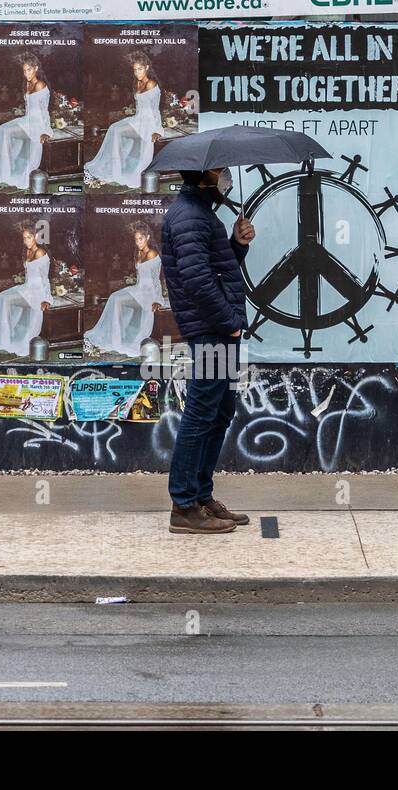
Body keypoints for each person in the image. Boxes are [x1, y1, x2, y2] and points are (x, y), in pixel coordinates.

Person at [161, 168, 254, 534]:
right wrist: (228, 321)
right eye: (221, 172)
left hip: (219, 329)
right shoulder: (188, 216)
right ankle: (183, 505)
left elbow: (214, 270)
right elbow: (197, 282)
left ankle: (200, 496)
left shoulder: (201, 215)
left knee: (219, 411)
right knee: (202, 413)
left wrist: (237, 245)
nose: (227, 177)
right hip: (212, 330)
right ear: (204, 176)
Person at [84, 221, 165, 357]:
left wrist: (157, 299)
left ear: (148, 238)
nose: (138, 242)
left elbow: (156, 279)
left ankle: (118, 339)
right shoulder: (139, 253)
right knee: (114, 297)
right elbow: (140, 276)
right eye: (136, 239)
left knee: (118, 301)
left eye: (141, 239)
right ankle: (116, 337)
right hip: (138, 289)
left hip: (148, 293)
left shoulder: (152, 254)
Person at [83, 51, 163, 189]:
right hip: (138, 119)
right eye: (135, 70)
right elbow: (140, 105)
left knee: (118, 132)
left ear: (147, 68)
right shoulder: (138, 83)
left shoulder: (151, 84)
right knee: (114, 128)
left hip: (147, 123)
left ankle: (118, 170)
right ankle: (116, 168)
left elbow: (155, 110)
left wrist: (157, 129)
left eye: (140, 69)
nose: (137, 73)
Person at [0, 53, 52, 190]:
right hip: (27, 120)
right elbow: (29, 107)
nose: (26, 73)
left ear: (36, 68)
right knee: (2, 129)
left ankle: (8, 170)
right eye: (24, 70)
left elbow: (44, 110)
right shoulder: (28, 84)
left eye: (29, 70)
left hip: (36, 124)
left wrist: (46, 131)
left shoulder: (40, 85)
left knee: (7, 132)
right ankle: (6, 169)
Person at [0, 220, 52, 357]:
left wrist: (46, 299)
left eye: (29, 237)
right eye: (24, 238)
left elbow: (45, 278)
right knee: (2, 296)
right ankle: (5, 334)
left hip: (36, 293)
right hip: (27, 288)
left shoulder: (40, 253)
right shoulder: (28, 251)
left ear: (35, 237)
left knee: (7, 301)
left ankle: (7, 336)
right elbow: (29, 274)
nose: (26, 241)